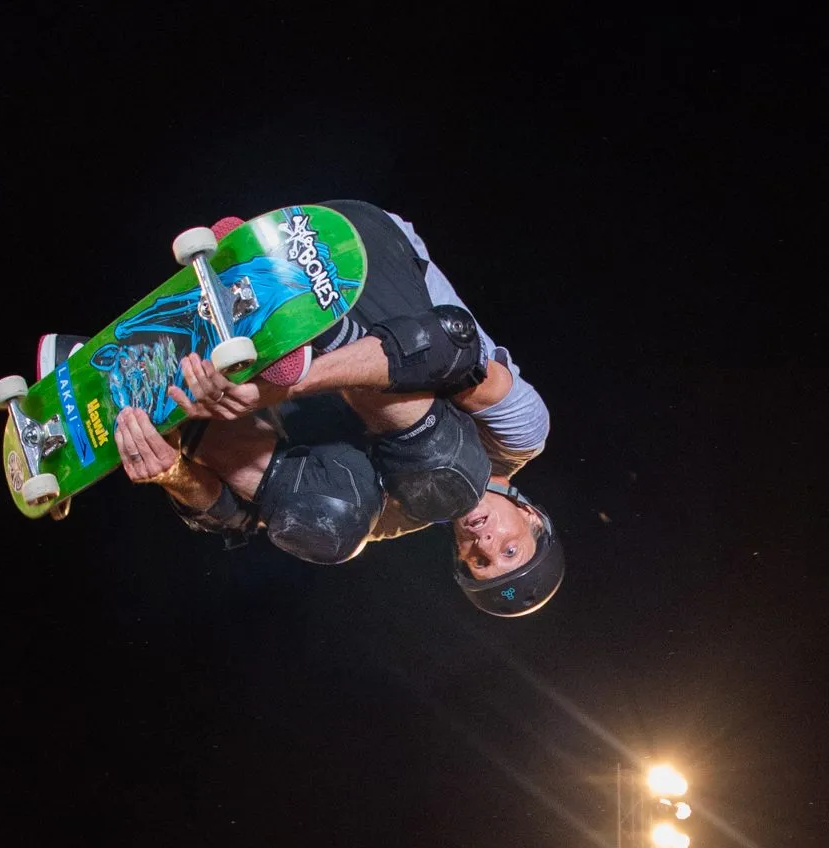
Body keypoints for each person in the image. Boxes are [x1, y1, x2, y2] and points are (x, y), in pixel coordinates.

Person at [45, 201, 562, 615]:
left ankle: (138, 400)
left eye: (478, 562)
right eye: (508, 549)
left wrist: (174, 473)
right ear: (531, 517)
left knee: (332, 520)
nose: (483, 543)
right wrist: (287, 386)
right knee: (448, 468)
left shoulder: (403, 517)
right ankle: (313, 327)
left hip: (261, 367)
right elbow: (453, 346)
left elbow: (243, 520)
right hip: (362, 255)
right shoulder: (521, 437)